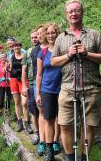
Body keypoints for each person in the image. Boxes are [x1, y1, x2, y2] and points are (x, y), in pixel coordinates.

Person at [51, 0, 101, 161]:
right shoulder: (60, 38)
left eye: (76, 10)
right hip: (67, 87)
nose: (74, 13)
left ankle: (84, 158)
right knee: (65, 125)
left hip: (91, 87)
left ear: (82, 12)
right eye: (70, 11)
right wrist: (68, 55)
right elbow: (53, 61)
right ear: (66, 15)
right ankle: (70, 158)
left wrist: (86, 53)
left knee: (89, 126)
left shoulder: (94, 34)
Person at [36, 23, 62, 160]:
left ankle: (57, 141)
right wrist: (38, 93)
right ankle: (49, 149)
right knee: (48, 119)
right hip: (47, 89)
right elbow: (39, 74)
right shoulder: (43, 52)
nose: (51, 35)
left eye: (54, 33)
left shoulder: (62, 50)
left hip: (62, 88)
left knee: (60, 118)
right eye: (49, 33)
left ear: (58, 34)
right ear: (45, 35)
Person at [21, 28, 40, 144]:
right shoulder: (27, 53)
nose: (34, 39)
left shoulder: (44, 49)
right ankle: (37, 133)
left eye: (36, 37)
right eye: (32, 37)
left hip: (44, 84)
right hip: (32, 84)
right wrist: (24, 85)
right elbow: (24, 70)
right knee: (33, 110)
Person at [9, 41, 33, 133]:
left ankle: (27, 122)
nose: (16, 47)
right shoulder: (11, 57)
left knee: (24, 103)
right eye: (14, 46)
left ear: (20, 47)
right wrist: (7, 68)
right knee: (16, 102)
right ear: (13, 48)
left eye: (18, 46)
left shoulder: (25, 56)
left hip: (23, 80)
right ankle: (19, 122)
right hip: (13, 80)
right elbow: (10, 69)